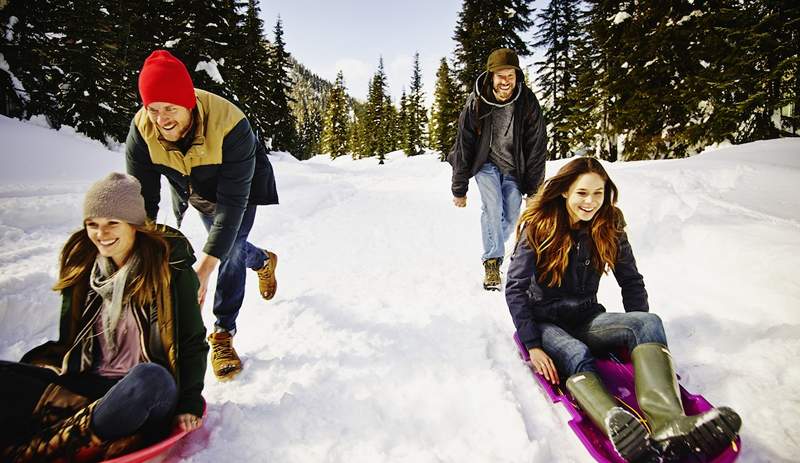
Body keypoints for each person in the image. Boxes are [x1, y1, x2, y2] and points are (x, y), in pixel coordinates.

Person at [505, 158, 741, 462]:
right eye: (582, 193)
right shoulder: (540, 226)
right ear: (565, 191)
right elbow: (515, 288)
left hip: (587, 316)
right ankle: (618, 427)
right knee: (576, 353)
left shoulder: (609, 224)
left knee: (648, 323)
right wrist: (533, 345)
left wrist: (637, 336)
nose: (590, 202)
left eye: (598, 193)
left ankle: (670, 424)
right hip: (545, 322)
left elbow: (630, 280)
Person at [0, 173, 208, 462]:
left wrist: (189, 402)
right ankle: (88, 428)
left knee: (150, 378)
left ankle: (48, 444)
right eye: (93, 224)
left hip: (143, 392)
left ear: (134, 226)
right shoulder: (84, 269)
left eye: (113, 223)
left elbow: (191, 340)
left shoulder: (169, 269)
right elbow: (71, 341)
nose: (102, 233)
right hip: (87, 389)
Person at [126, 50, 280, 380]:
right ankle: (264, 261)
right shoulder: (142, 132)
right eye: (153, 109)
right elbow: (142, 203)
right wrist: (145, 255)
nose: (162, 118)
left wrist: (204, 270)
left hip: (238, 191)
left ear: (189, 102)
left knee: (231, 249)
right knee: (229, 250)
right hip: (197, 192)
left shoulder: (231, 124)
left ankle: (223, 333)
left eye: (170, 108)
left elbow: (232, 205)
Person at [449, 48, 548, 291]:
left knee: (513, 213)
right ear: (491, 76)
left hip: (513, 166)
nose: (506, 81)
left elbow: (537, 145)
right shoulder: (477, 103)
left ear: (517, 76)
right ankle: (492, 261)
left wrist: (534, 190)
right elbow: (464, 146)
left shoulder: (527, 102)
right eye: (500, 75)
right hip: (485, 164)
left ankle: (495, 242)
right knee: (492, 207)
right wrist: (459, 189)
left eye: (510, 75)